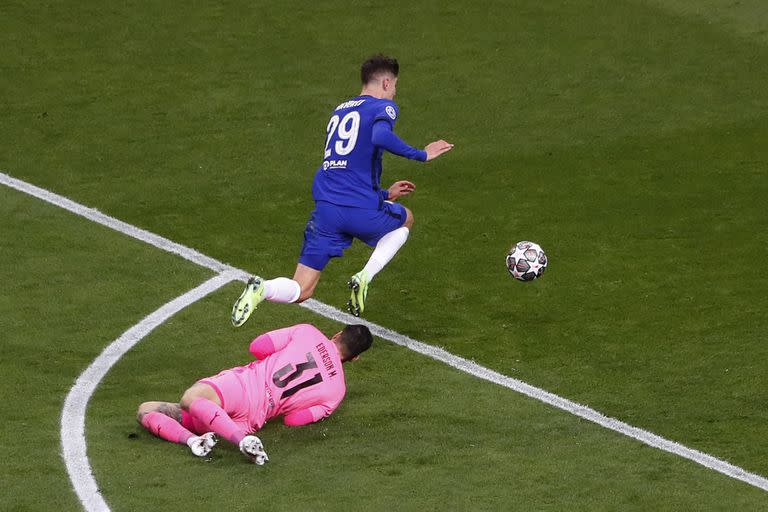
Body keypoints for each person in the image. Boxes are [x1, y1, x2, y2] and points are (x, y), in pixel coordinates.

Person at [231, 54, 453, 326]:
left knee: (302, 289)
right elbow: (380, 137)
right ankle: (364, 277)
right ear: (385, 82)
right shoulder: (383, 107)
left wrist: (384, 194)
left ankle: (262, 289)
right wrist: (422, 155)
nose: (395, 93)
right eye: (394, 86)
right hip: (357, 209)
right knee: (405, 217)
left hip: (326, 209)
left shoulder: (340, 111)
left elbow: (345, 167)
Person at [136, 323, 373, 464]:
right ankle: (194, 441)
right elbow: (293, 420)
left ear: (337, 334)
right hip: (254, 417)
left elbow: (257, 347)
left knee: (189, 399)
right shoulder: (336, 392)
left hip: (243, 386)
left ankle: (241, 441)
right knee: (146, 409)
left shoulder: (308, 332)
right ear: (355, 358)